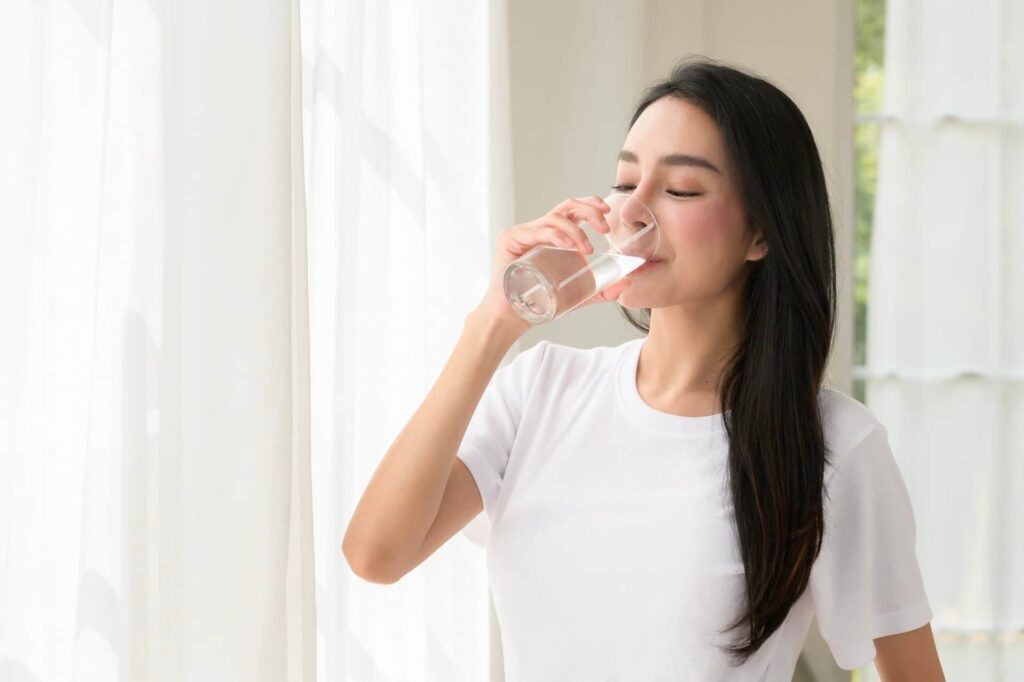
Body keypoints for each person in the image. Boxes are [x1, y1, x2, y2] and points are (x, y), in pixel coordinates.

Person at [342, 56, 945, 681]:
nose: (633, 213)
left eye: (680, 190)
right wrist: (493, 321)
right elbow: (376, 554)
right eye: (626, 183)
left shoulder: (836, 445)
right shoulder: (540, 390)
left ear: (760, 234)